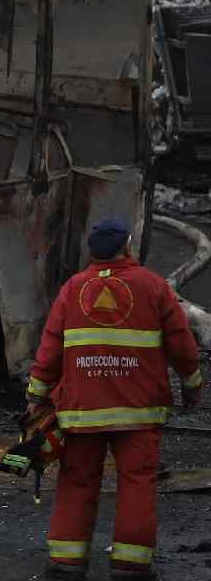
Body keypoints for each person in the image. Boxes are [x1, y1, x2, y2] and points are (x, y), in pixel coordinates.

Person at [27, 216, 204, 580]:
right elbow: (182, 345)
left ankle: (66, 562)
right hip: (138, 412)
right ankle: (131, 565)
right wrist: (192, 384)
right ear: (126, 247)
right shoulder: (153, 287)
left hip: (82, 412)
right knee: (138, 483)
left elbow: (49, 351)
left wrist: (36, 397)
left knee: (76, 481)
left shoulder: (73, 289)